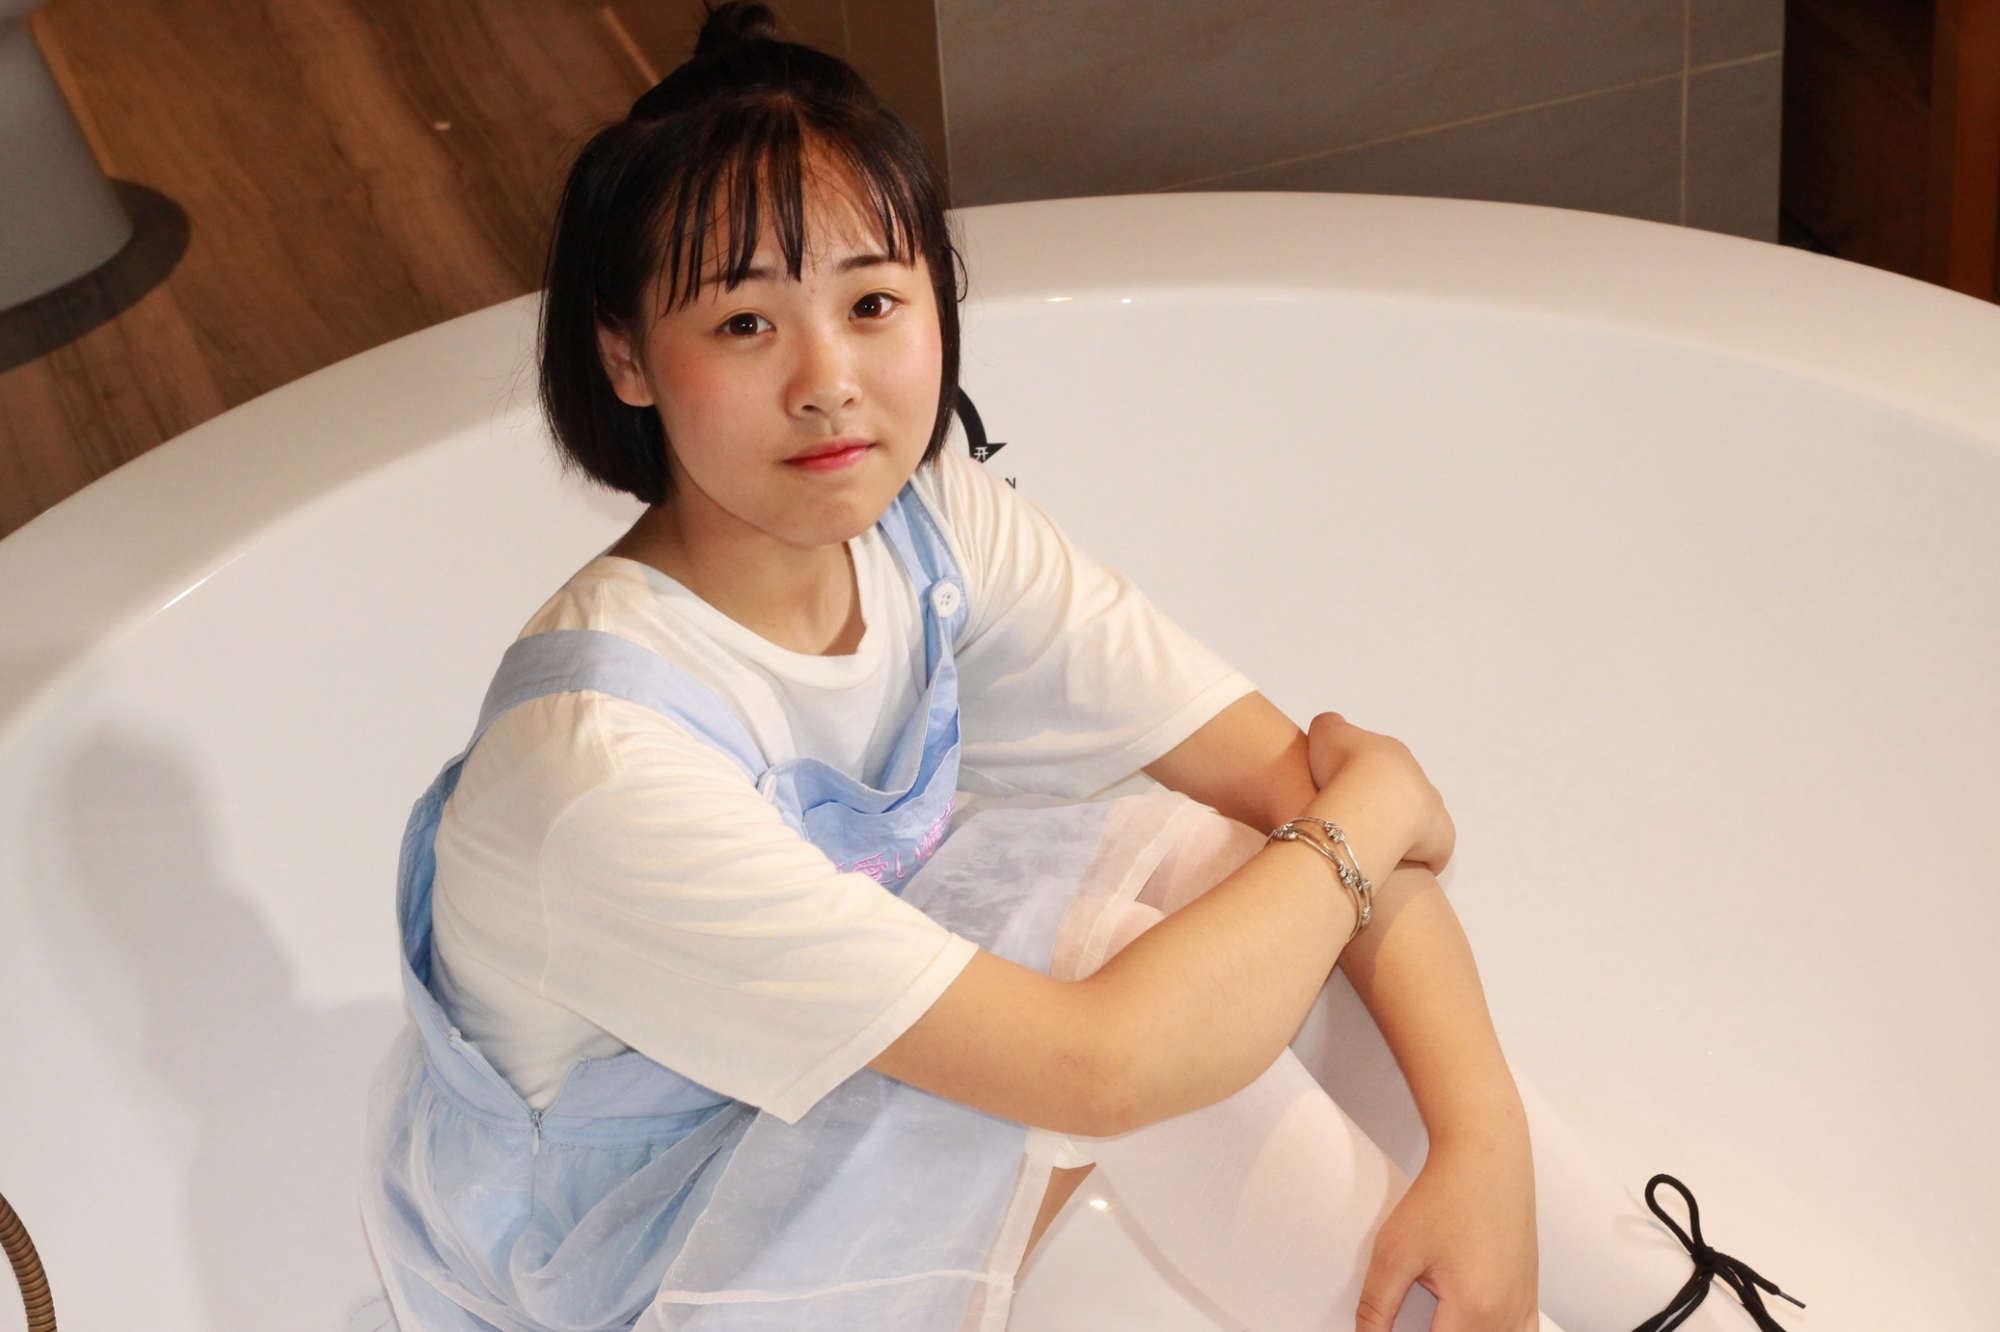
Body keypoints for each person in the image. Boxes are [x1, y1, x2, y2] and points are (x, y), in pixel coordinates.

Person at [362, 7, 1768, 1332]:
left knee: (1233, 877)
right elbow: (1106, 1063)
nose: (826, 379)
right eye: (744, 324)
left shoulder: (926, 526)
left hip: (815, 1109)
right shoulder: (598, 768)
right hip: (637, 1274)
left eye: (872, 301)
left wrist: (1483, 1141)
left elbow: (1293, 802)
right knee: (1151, 974)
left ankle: (1675, 1310)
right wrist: (1383, 793)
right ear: (625, 358)